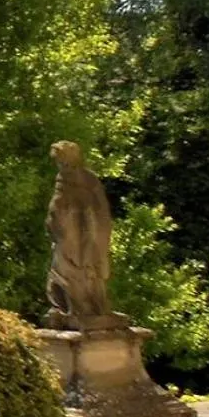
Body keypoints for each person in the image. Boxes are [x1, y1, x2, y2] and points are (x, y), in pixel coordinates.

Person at [45, 140, 116, 327]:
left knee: (73, 269)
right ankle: (73, 308)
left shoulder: (80, 180)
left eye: (60, 160)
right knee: (70, 271)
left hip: (79, 237)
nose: (59, 165)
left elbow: (59, 208)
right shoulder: (82, 179)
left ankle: (79, 308)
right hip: (75, 236)